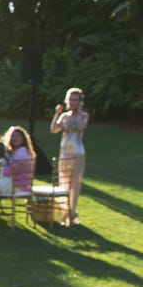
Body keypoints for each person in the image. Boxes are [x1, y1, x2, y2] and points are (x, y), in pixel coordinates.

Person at [50, 87, 89, 224]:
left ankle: (73, 211)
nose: (72, 102)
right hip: (65, 152)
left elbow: (81, 127)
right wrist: (57, 114)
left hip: (78, 152)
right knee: (64, 182)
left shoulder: (83, 115)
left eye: (75, 100)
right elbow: (54, 129)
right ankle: (65, 213)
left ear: (80, 102)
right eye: (70, 99)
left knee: (75, 183)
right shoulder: (64, 116)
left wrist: (77, 112)